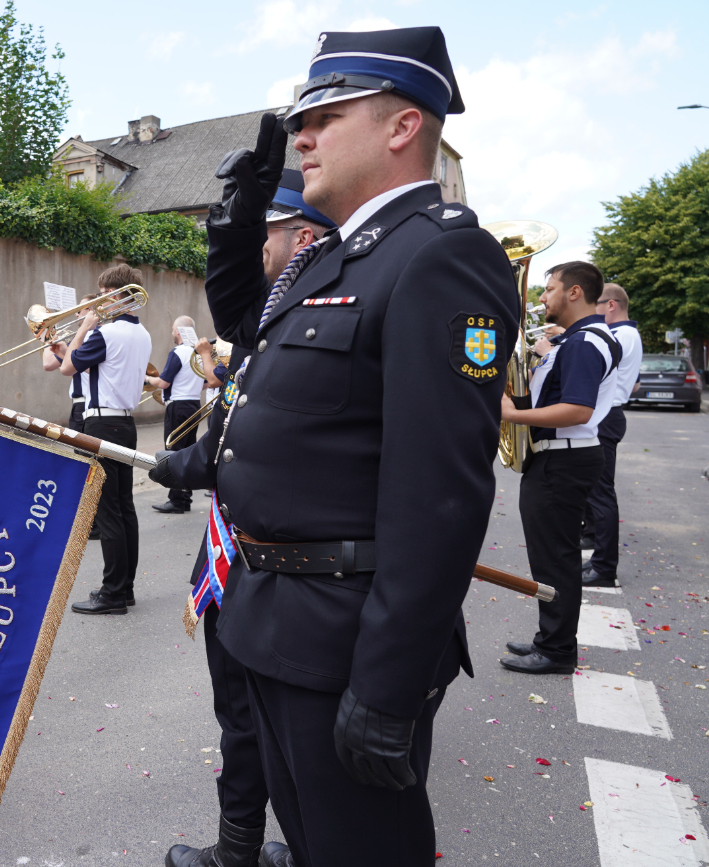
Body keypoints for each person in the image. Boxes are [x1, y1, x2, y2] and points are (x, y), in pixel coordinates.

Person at [156, 28, 516, 867]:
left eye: (325, 114)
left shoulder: (439, 255)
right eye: (300, 119)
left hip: (343, 641)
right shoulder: (335, 261)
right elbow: (247, 330)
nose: (301, 135)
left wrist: (387, 688)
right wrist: (238, 217)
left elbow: (441, 498)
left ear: (401, 127)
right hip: (274, 622)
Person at [156, 170, 334, 867]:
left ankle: (268, 849)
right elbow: (234, 434)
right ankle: (240, 847)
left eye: (266, 231)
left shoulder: (309, 320)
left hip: (277, 564)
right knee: (242, 718)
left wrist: (194, 466)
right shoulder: (271, 323)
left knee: (268, 723)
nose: (256, 246)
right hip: (239, 555)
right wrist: (185, 465)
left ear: (304, 236)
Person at [502, 262, 623, 675]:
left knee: (554, 559)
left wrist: (510, 414)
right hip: (562, 455)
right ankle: (550, 640)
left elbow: (576, 409)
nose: (541, 298)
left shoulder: (585, 343)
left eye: (549, 289)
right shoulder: (576, 341)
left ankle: (556, 650)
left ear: (574, 293)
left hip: (564, 457)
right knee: (553, 556)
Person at [63, 265, 152, 615]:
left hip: (101, 423)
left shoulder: (106, 332)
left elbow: (68, 367)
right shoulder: (141, 332)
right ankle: (125, 587)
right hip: (125, 424)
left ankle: (113, 593)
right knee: (124, 507)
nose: (98, 301)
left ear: (115, 295)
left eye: (101, 294)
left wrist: (84, 327)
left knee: (108, 511)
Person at [580, 284, 643, 587]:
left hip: (605, 416)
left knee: (601, 493)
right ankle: (595, 546)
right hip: (608, 415)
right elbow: (634, 386)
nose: (592, 311)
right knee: (595, 489)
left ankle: (605, 568)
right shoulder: (626, 335)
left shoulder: (619, 336)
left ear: (612, 305)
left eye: (596, 304)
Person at [147, 316, 205, 514]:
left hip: (178, 407)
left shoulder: (178, 352)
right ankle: (185, 498)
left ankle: (177, 501)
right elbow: (204, 383)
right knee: (187, 451)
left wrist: (147, 378)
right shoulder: (198, 354)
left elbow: (163, 382)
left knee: (173, 451)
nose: (172, 333)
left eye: (173, 330)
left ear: (179, 332)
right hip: (194, 405)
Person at [43, 293, 99, 433]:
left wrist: (46, 337)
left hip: (84, 405)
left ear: (91, 311)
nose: (76, 315)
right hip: (88, 406)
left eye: (79, 311)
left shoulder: (83, 339)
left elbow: (48, 364)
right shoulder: (88, 338)